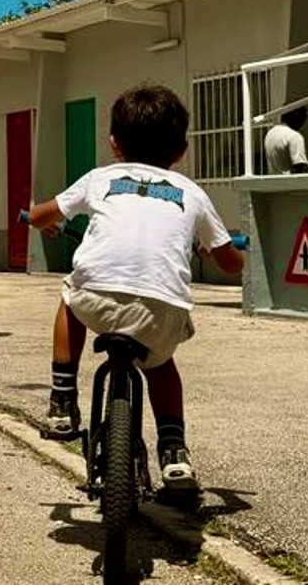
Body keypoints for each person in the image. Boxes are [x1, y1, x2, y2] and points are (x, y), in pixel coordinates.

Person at [24, 84, 245, 493]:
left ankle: (61, 399)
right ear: (181, 150)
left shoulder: (99, 179)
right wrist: (218, 254)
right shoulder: (191, 192)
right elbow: (232, 262)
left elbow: (40, 215)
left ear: (114, 144)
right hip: (161, 311)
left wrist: (42, 219)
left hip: (96, 298)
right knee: (160, 366)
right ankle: (174, 451)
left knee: (69, 299)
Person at [264, 105, 308, 174]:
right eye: (303, 118)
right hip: (290, 182)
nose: (303, 123)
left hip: (274, 181)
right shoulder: (294, 136)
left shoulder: (270, 133)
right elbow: (299, 167)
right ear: (296, 116)